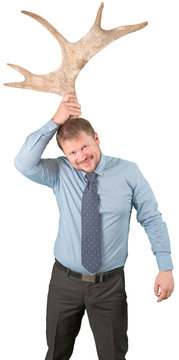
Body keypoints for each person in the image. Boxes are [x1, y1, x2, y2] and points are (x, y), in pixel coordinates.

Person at [14, 93, 174, 360]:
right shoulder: (60, 172)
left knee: (113, 355)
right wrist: (55, 121)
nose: (81, 157)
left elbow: (151, 217)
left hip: (109, 286)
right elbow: (23, 163)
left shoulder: (128, 172)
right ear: (65, 154)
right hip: (65, 283)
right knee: (56, 353)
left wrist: (165, 267)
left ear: (96, 139)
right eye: (72, 152)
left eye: (85, 147)